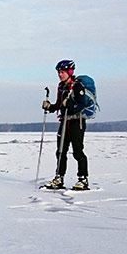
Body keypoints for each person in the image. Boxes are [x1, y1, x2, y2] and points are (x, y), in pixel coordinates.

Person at [42, 59, 89, 190]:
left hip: (76, 122)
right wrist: (49, 107)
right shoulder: (61, 86)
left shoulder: (77, 86)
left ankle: (83, 179)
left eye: (62, 72)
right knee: (61, 151)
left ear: (69, 72)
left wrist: (71, 106)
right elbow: (59, 105)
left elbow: (82, 104)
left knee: (78, 151)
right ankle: (59, 178)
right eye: (59, 72)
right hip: (64, 121)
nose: (60, 74)